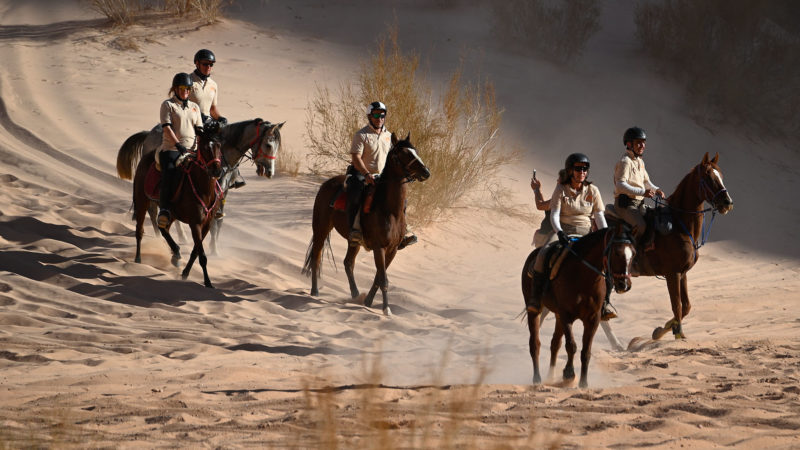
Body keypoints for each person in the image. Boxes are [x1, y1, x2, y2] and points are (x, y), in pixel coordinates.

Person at [526, 153, 617, 320]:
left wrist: (605, 237)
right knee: (544, 253)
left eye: (584, 169)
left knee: (609, 258)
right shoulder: (561, 190)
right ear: (570, 171)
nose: (581, 172)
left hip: (586, 233)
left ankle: (605, 303)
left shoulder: (593, 191)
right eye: (578, 169)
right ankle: (535, 298)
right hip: (564, 231)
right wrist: (559, 232)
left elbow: (599, 217)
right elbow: (553, 215)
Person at [347, 101, 417, 249]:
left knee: (401, 200)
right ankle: (355, 230)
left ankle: (403, 232)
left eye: (382, 115)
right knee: (356, 194)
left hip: (381, 176)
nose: (379, 118)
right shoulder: (361, 135)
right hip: (361, 174)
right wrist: (366, 174)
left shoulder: (388, 136)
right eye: (376, 115)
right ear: (369, 116)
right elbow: (356, 158)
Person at [189, 49, 243, 191]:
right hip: (191, 122)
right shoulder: (188, 81)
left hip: (207, 121)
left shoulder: (213, 84)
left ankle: (233, 175)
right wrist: (197, 116)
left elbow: (212, 109)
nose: (208, 67)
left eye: (211, 64)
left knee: (228, 141)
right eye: (205, 64)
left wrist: (221, 118)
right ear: (197, 63)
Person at [156, 72, 203, 229]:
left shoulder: (195, 107)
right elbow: (167, 128)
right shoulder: (168, 105)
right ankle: (164, 211)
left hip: (192, 151)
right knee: (169, 174)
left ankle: (215, 204)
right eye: (182, 88)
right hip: (171, 149)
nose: (185, 91)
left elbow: (199, 129)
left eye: (188, 88)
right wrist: (178, 145)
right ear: (175, 88)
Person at [613, 126, 664, 252]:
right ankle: (634, 254)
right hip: (626, 205)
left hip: (639, 204)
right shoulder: (625, 162)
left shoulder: (640, 162)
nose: (642, 145)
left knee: (654, 219)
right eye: (639, 143)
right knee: (640, 226)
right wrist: (643, 192)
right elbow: (620, 184)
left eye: (644, 142)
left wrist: (656, 189)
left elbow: (646, 181)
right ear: (629, 144)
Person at [530, 174, 554, 248]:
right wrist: (537, 190)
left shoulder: (561, 197)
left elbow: (540, 206)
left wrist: (536, 190)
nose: (557, 180)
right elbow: (545, 206)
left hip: (546, 237)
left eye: (559, 179)